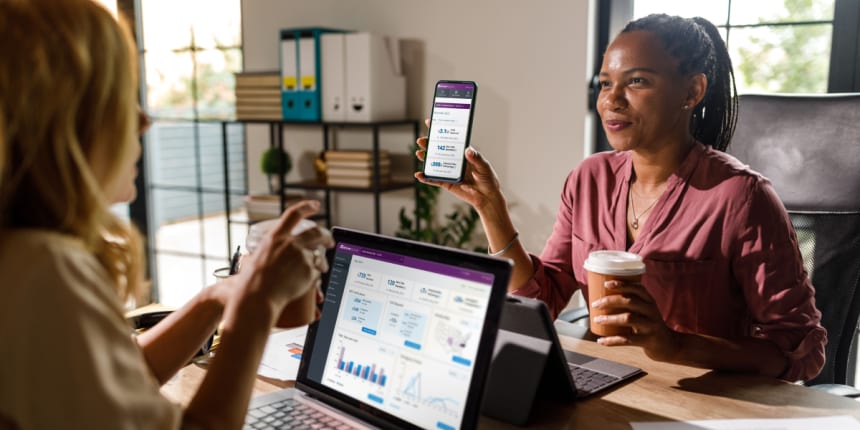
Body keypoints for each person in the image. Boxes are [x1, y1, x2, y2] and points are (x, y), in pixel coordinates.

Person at [416, 13, 826, 382]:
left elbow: (800, 349)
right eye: (606, 83)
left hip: (703, 404)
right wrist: (491, 208)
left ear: (692, 91)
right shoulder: (588, 179)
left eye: (637, 81)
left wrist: (676, 345)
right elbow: (544, 297)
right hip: (605, 386)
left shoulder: (741, 196)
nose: (611, 100)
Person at [0, 0, 333, 428]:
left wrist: (218, 296)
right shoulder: (42, 269)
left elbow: (119, 377)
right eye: (118, 99)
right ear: (63, 121)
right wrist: (257, 307)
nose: (143, 119)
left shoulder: (20, 255)